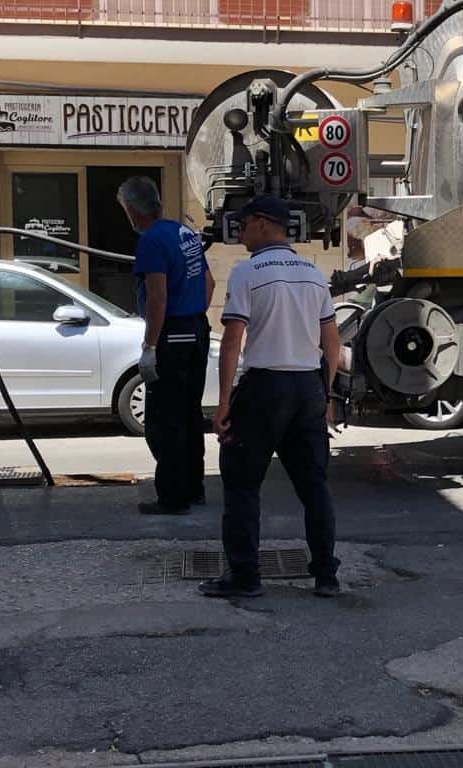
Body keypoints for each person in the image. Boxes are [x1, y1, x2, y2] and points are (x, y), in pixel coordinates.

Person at [200, 195, 342, 599]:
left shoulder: (248, 273)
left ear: (264, 223)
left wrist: (224, 402)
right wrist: (324, 391)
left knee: (243, 484)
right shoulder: (314, 274)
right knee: (314, 485)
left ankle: (245, 577)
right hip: (307, 387)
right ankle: (326, 576)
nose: (241, 233)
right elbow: (330, 340)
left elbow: (232, 342)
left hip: (264, 388)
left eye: (244, 225)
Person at [118, 176, 215, 515]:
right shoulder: (183, 232)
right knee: (189, 414)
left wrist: (150, 346)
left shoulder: (150, 242)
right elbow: (209, 282)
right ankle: (194, 489)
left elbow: (157, 297)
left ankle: (173, 497)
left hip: (172, 334)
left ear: (131, 210)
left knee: (164, 421)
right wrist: (194, 315)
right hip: (197, 330)